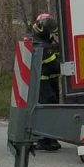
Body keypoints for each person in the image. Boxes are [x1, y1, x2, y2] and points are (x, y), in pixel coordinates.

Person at [30, 12, 62, 152]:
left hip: (50, 82)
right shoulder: (39, 44)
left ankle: (51, 139)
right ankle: (44, 140)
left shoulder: (45, 42)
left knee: (52, 109)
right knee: (45, 110)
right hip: (41, 85)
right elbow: (55, 65)